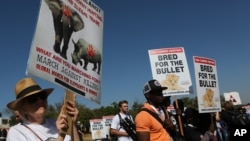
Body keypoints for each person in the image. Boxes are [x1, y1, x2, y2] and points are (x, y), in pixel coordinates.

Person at [6, 77, 80, 141]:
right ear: (22, 108)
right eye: (32, 99)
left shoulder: (58, 122)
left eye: (42, 96)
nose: (40, 100)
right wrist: (60, 137)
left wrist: (71, 123)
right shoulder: (17, 132)